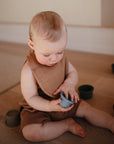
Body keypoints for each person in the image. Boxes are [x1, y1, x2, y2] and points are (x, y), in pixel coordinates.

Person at [20, 11, 114, 142]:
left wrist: (69, 84)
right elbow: (31, 97)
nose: (54, 59)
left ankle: (110, 123)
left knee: (87, 109)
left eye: (60, 52)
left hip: (64, 99)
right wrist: (49, 106)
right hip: (40, 107)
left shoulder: (61, 59)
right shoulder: (28, 69)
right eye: (46, 55)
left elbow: (73, 73)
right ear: (32, 44)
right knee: (31, 133)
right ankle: (65, 125)